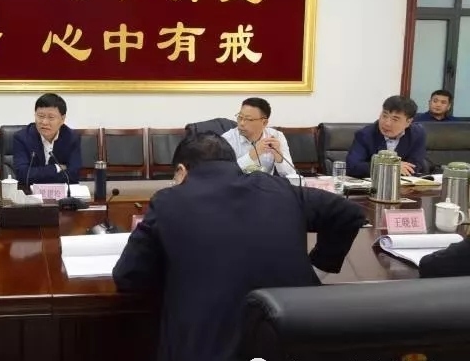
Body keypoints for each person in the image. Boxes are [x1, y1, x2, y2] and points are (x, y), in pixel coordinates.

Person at [112, 132, 365, 361]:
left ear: (181, 171)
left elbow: (128, 276)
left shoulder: (168, 200)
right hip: (293, 344)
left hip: (207, 348)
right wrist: (319, 265)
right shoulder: (280, 188)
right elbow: (350, 213)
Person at [346, 95, 426, 177]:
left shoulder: (417, 134)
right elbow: (352, 167)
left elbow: (415, 166)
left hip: (403, 183)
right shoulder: (365, 134)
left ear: (408, 122)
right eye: (384, 116)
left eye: (395, 119)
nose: (387, 123)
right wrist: (390, 166)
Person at [12, 93, 82, 188]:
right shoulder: (22, 138)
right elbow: (23, 175)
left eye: (51, 117)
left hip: (61, 193)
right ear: (35, 115)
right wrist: (56, 168)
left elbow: (74, 175)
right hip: (30, 194)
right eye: (40, 116)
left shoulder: (72, 138)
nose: (44, 122)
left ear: (62, 119)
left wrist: (36, 174)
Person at [221, 97, 296, 176]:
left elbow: (290, 174)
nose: (242, 123)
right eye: (240, 117)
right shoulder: (227, 139)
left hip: (266, 183)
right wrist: (252, 155)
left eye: (248, 119)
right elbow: (225, 172)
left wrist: (279, 157)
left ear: (264, 122)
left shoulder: (276, 136)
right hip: (238, 183)